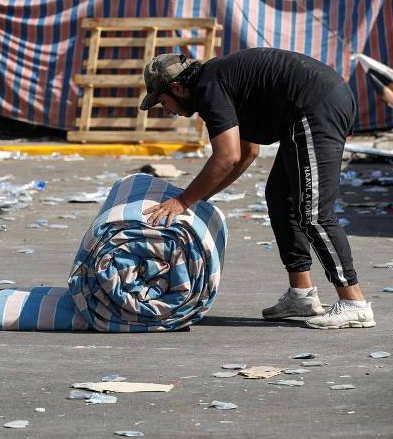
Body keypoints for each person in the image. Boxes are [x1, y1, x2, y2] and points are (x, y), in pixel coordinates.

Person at [140, 48, 375, 329]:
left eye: (162, 101)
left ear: (177, 87)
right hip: (307, 110)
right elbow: (246, 151)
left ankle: (354, 303)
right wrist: (201, 198)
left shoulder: (209, 87)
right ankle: (301, 295)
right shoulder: (214, 82)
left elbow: (226, 156)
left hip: (316, 106)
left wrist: (183, 201)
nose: (166, 111)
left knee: (314, 212)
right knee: (279, 198)